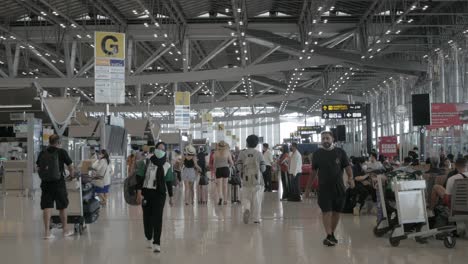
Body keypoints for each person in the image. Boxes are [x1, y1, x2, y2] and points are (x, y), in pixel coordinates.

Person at [311, 131, 354, 246]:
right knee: (327, 212)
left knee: (336, 213)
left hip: (339, 188)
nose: (325, 140)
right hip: (324, 189)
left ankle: (331, 234)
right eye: (323, 138)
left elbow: (347, 167)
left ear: (332, 139)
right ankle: (329, 235)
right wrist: (307, 189)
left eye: (327, 138)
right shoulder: (317, 154)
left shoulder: (340, 152)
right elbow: (314, 172)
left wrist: (351, 178)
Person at [135, 142, 174, 253]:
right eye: (159, 148)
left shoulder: (167, 165)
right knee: (147, 217)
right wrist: (138, 193)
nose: (160, 151)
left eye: (163, 149)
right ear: (155, 149)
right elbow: (139, 178)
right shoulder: (146, 162)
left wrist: (171, 197)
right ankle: (148, 236)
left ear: (165, 151)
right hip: (146, 193)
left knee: (157, 217)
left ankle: (157, 242)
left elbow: (169, 182)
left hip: (160, 194)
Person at [36, 134, 75, 239]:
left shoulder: (42, 153)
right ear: (58, 142)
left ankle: (47, 233)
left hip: (46, 183)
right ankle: (65, 230)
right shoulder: (62, 152)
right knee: (62, 207)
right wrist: (71, 176)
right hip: (59, 183)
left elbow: (38, 167)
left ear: (49, 142)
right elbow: (71, 167)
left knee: (47, 206)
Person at [236, 135, 266, 224]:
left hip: (245, 179)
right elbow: (263, 168)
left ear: (247, 143)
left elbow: (238, 167)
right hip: (257, 180)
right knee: (256, 199)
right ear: (256, 144)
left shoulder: (242, 153)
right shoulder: (259, 153)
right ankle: (256, 218)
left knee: (245, 197)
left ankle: (247, 208)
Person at [214, 141, 234, 205]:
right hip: (225, 169)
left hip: (218, 170)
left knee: (219, 186)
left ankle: (220, 197)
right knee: (225, 185)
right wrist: (229, 166)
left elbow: (214, 163)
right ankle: (225, 200)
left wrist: (215, 170)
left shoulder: (215, 153)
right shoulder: (227, 152)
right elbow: (231, 163)